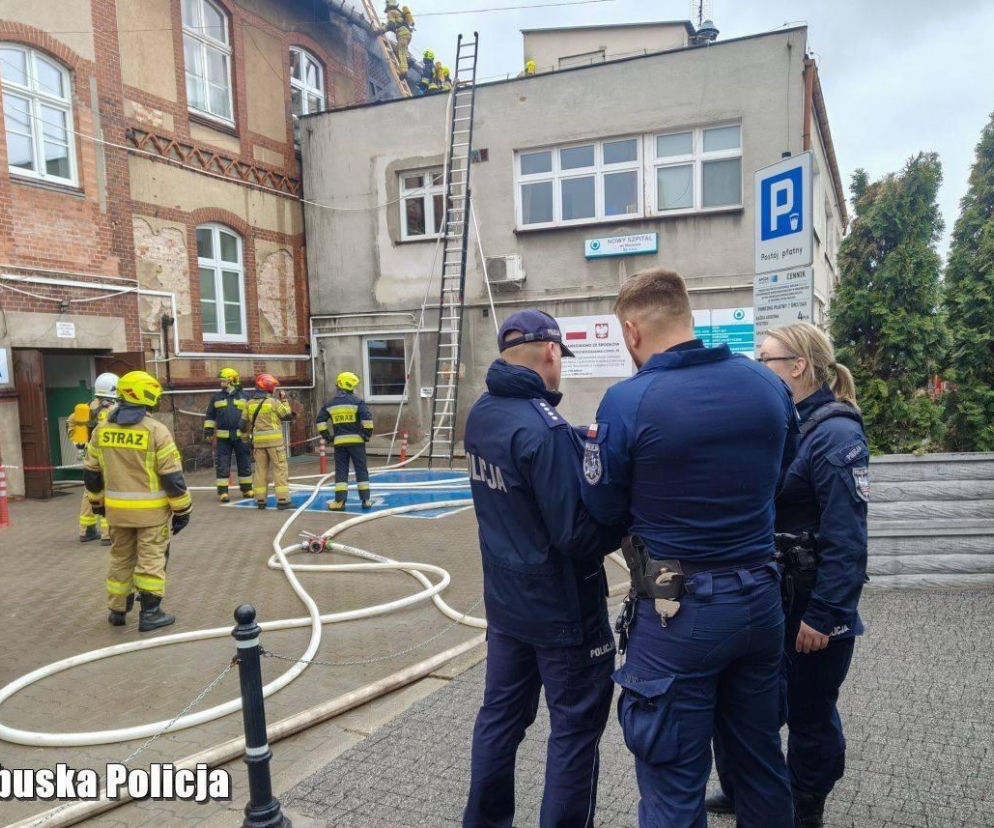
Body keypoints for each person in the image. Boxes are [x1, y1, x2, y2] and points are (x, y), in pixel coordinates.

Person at [581, 268, 796, 828]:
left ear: (631, 331)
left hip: (679, 616)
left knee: (673, 781)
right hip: (760, 602)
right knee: (760, 763)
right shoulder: (766, 385)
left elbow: (603, 512)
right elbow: (781, 477)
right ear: (687, 315)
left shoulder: (629, 401)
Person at [463, 309, 621, 828]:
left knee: (499, 723)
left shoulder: (483, 413)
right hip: (563, 615)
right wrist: (625, 519)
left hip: (507, 609)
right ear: (551, 351)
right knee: (574, 735)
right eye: (561, 360)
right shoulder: (544, 430)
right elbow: (575, 536)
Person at [707, 323, 869, 828]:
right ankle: (743, 788)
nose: (758, 367)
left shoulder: (836, 432)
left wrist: (825, 615)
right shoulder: (786, 422)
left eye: (766, 359)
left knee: (809, 714)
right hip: (773, 596)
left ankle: (805, 806)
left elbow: (847, 539)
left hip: (812, 606)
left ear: (797, 366)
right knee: (748, 705)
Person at [83, 370, 191, 631]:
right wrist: (183, 510)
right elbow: (172, 478)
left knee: (120, 558)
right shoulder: (156, 431)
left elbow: (91, 474)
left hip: (117, 514)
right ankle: (151, 614)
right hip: (151, 515)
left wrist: (97, 504)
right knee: (151, 560)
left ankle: (117, 611)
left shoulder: (102, 429)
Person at [68, 371, 118, 544]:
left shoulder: (87, 406)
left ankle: (86, 530)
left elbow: (71, 421)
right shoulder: (113, 408)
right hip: (106, 454)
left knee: (90, 490)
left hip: (90, 454)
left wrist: (77, 441)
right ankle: (107, 534)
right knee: (108, 491)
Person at [317, 371, 373, 511]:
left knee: (341, 471)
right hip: (357, 443)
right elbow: (368, 421)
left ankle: (340, 502)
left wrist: (327, 437)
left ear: (340, 385)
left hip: (339, 444)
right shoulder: (357, 402)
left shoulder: (330, 404)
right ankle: (366, 500)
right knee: (361, 470)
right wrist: (366, 435)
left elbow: (320, 421)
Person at [241, 373, 294, 510]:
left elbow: (242, 424)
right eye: (274, 387)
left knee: (260, 471)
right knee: (280, 470)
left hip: (258, 444)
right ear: (269, 388)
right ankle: (283, 500)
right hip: (275, 444)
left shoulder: (249, 404)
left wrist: (246, 438)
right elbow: (287, 415)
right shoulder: (273, 403)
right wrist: (284, 400)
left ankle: (260, 500)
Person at [204, 367, 252, 503]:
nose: (221, 383)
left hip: (241, 437)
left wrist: (251, 433)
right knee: (222, 464)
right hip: (223, 438)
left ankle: (247, 489)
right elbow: (210, 416)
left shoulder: (245, 397)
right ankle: (223, 492)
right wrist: (208, 430)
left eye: (224, 380)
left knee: (244, 462)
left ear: (232, 380)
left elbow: (250, 416)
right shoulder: (216, 397)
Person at [384, 0, 413, 75]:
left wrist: (380, 30)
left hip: (402, 34)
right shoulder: (399, 13)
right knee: (398, 49)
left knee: (401, 51)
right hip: (408, 35)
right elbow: (395, 26)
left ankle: (404, 72)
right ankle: (408, 58)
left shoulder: (391, 12)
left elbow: (391, 25)